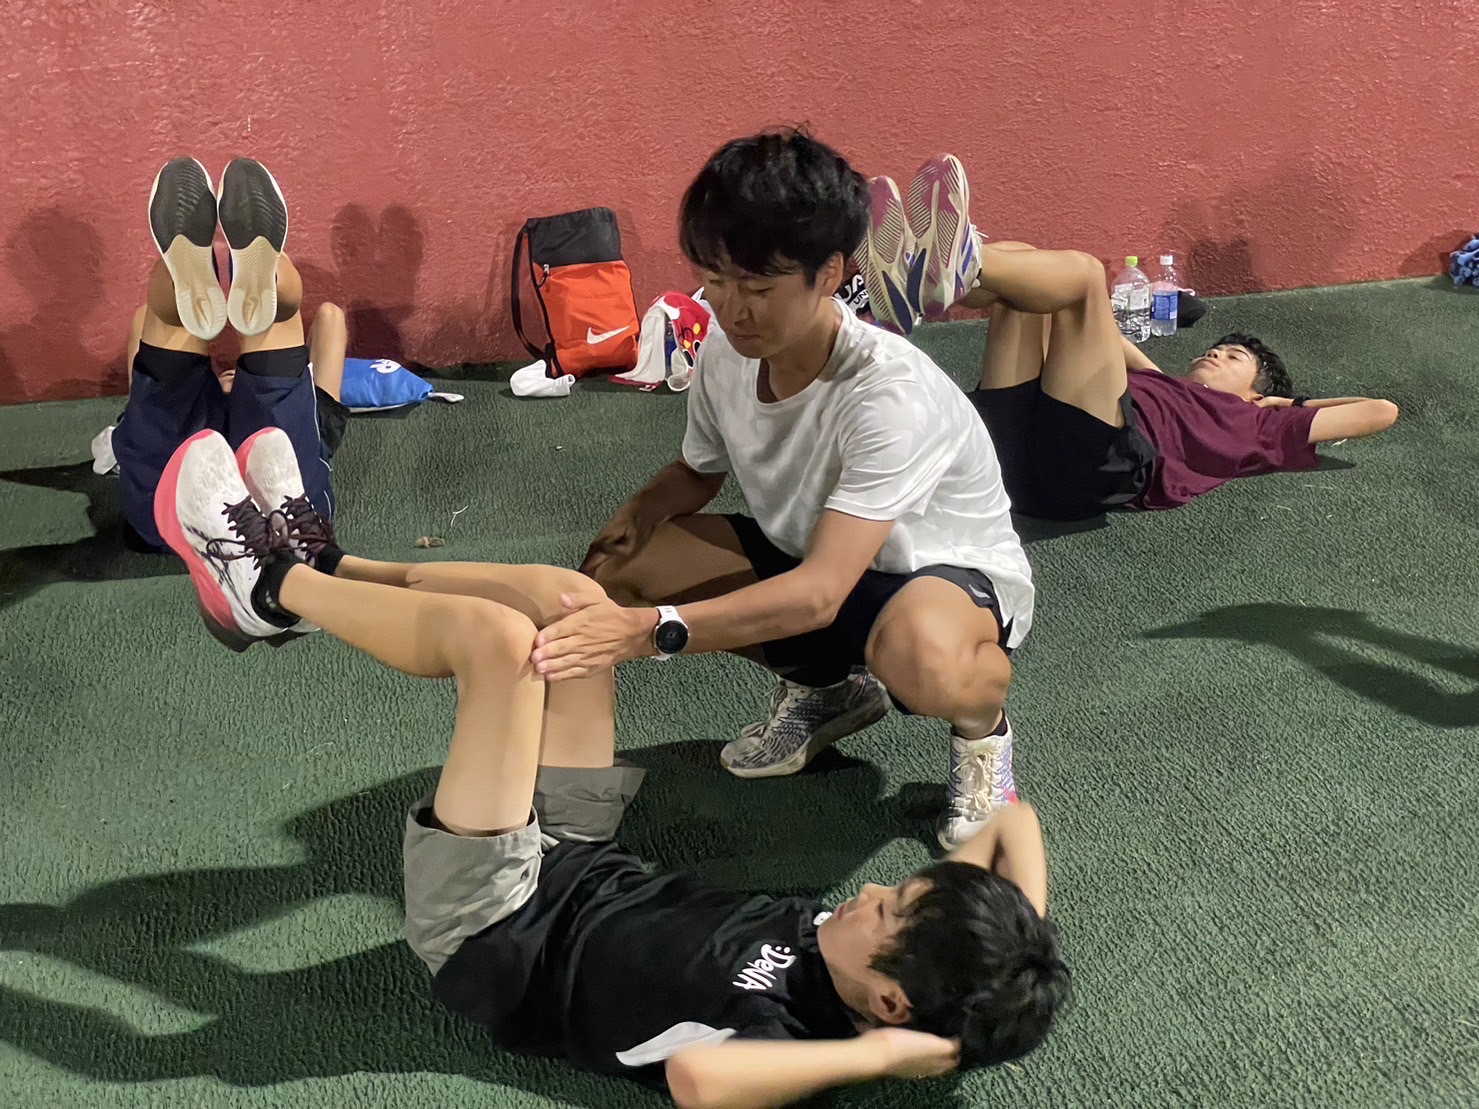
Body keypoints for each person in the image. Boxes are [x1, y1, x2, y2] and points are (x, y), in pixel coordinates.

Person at [150, 426, 1072, 1105]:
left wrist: (876, 1055)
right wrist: (1013, 947)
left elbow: (697, 1081)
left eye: (888, 911)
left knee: (496, 644)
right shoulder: (907, 966)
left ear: (889, 1000)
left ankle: (268, 587)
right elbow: (1014, 823)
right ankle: (330, 567)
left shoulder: (794, 1037)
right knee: (574, 606)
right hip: (583, 853)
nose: (870, 892)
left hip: (493, 924)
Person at [534, 132, 1036, 851]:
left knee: (925, 660)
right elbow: (699, 470)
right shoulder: (725, 348)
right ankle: (829, 688)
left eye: (759, 288)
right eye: (715, 279)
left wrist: (649, 631)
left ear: (829, 273)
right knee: (621, 569)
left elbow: (820, 594)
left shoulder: (889, 396)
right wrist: (635, 518)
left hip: (930, 579)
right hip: (809, 556)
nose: (733, 308)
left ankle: (983, 734)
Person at [850, 164, 1400, 520]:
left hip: (1091, 468)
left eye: (1235, 358)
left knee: (1086, 274)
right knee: (1032, 276)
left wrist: (1289, 404)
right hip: (1008, 457)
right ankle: (920, 281)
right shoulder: (1156, 384)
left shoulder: (1259, 426)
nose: (1215, 352)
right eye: (1217, 348)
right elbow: (1106, 338)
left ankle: (942, 270)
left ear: (1256, 393)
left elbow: (1380, 411)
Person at [110, 155, 347, 552]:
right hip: (279, 516)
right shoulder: (316, 416)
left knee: (167, 350)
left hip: (169, 516)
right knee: (269, 344)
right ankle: (260, 281)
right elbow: (331, 317)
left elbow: (139, 322)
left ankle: (203, 281)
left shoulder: (314, 413)